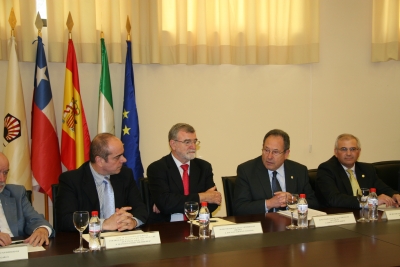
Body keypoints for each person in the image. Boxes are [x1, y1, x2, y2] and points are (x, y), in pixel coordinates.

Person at [56, 133, 148, 232]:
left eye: (123, 154)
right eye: (117, 157)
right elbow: (65, 220)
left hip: (120, 240)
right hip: (88, 242)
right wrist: (103, 224)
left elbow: (140, 208)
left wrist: (133, 221)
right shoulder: (72, 180)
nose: (124, 160)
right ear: (99, 161)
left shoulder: (125, 175)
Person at [147, 123, 221, 224]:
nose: (193, 147)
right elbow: (165, 204)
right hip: (168, 228)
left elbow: (214, 201)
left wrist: (174, 204)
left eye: (194, 141)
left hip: (198, 225)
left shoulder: (204, 167)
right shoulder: (157, 168)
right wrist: (203, 197)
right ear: (173, 144)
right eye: (187, 142)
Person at [234, 129, 318, 215]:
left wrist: (294, 200)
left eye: (275, 152)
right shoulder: (247, 170)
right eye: (266, 150)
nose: (269, 156)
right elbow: (240, 208)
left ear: (286, 153)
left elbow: (314, 204)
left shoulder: (299, 171)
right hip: (262, 225)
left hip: (292, 224)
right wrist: (270, 203)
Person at [316, 133, 400, 208]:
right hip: (340, 216)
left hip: (366, 216)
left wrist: (394, 195)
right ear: (336, 152)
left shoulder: (367, 169)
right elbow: (334, 199)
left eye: (353, 149)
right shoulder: (327, 169)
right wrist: (371, 201)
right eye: (344, 149)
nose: (349, 153)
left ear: (359, 152)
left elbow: (382, 188)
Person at [0, 152, 54, 247]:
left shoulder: (16, 193)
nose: (2, 179)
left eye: (5, 172)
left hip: (17, 251)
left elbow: (34, 219)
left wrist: (42, 229)